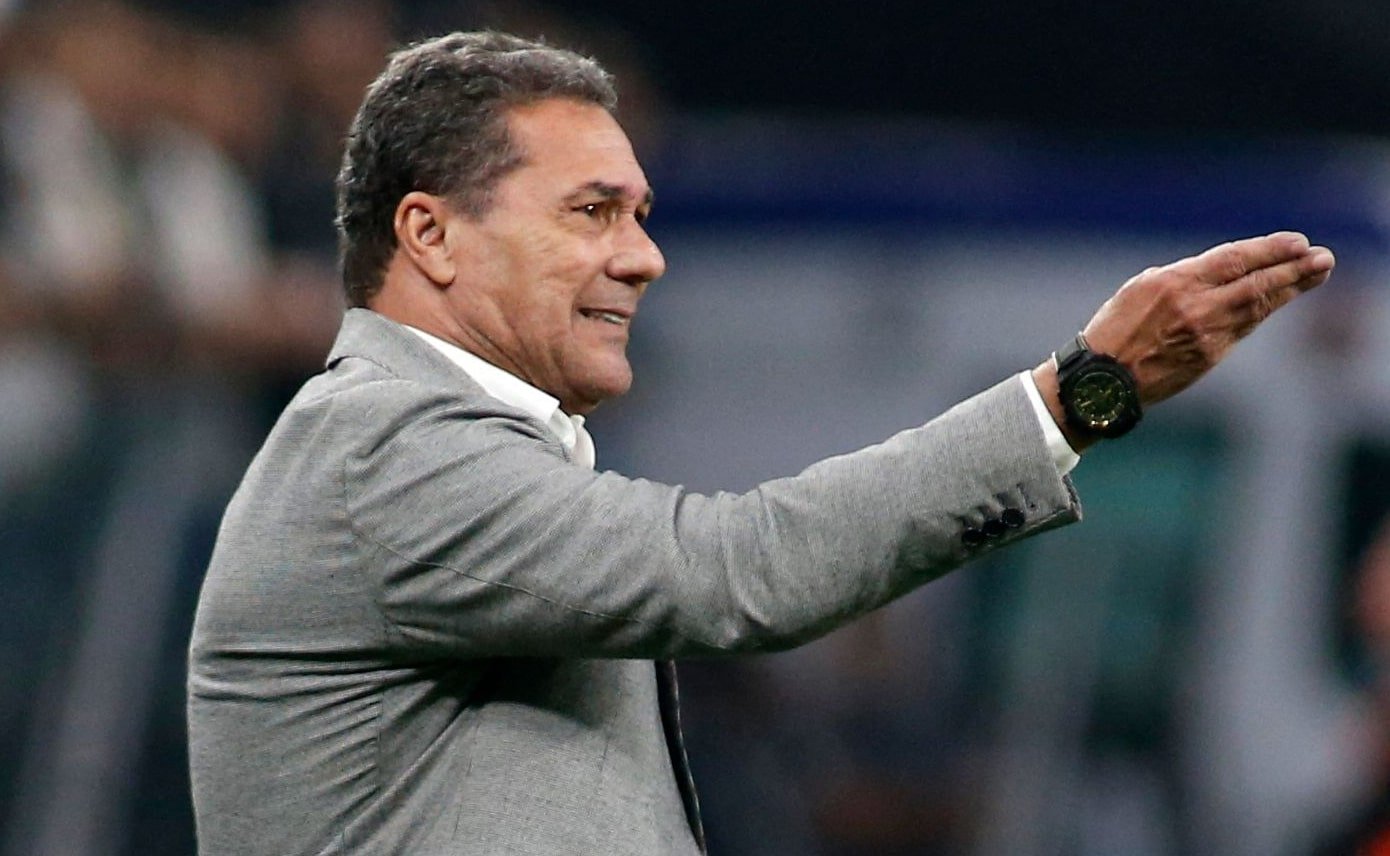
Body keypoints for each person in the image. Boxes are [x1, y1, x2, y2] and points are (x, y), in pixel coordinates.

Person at [186, 31, 1335, 856]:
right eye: (591, 212)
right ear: (430, 234)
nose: (644, 257)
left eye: (640, 215)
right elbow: (734, 569)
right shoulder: (385, 453)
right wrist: (1081, 395)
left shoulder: (451, 449)